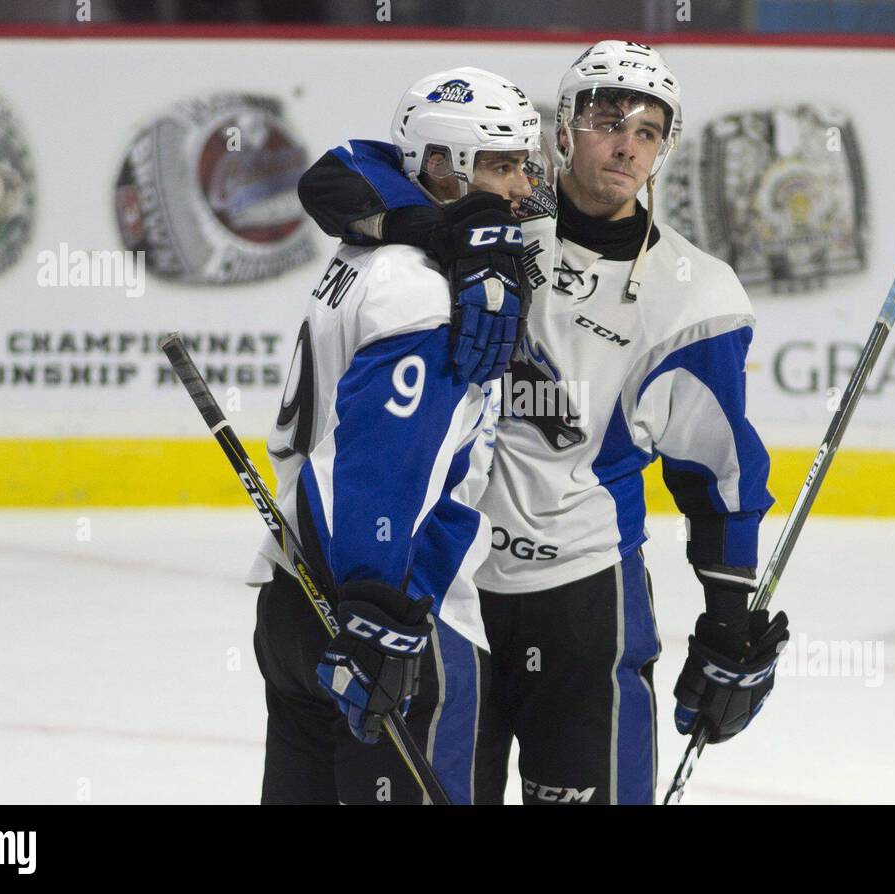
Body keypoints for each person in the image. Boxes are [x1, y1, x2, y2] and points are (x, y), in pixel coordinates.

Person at [297, 40, 790, 805]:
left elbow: (719, 475)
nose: (626, 144)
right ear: (563, 127)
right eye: (605, 119)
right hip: (453, 591)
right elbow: (335, 177)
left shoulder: (699, 296)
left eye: (648, 130)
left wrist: (728, 623)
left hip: (587, 598)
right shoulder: (500, 210)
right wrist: (444, 230)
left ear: (665, 149)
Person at [246, 66, 538, 805]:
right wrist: (380, 611)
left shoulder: (367, 251)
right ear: (440, 166)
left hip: (296, 599)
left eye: (523, 163)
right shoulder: (423, 287)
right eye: (501, 164)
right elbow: (376, 460)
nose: (521, 186)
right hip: (394, 614)